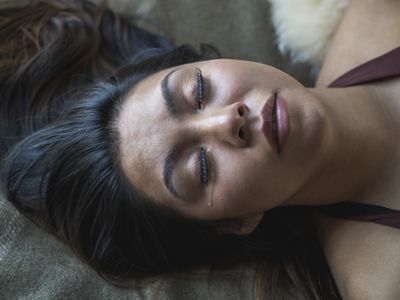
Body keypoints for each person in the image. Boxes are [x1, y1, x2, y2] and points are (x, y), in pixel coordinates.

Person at [1, 0, 400, 299]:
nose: (228, 121)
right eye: (202, 168)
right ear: (237, 222)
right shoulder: (384, 284)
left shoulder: (375, 11)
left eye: (199, 91)